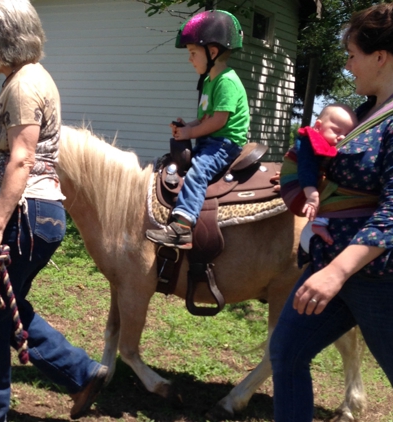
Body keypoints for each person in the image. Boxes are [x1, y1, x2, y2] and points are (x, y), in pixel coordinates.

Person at [0, 1, 107, 421]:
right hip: (37, 217)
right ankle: (81, 372)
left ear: (0, 38)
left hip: (22, 217)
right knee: (0, 308)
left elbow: (22, 158)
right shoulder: (26, 79)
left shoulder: (25, 85)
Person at [270, 3, 393, 421]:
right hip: (331, 269)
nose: (347, 65)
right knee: (286, 353)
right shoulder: (363, 115)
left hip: (378, 280)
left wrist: (337, 272)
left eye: (352, 55)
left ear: (380, 57)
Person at [145, 10, 250, 249]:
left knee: (198, 173)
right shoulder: (210, 81)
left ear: (212, 53)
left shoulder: (226, 81)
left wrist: (190, 134)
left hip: (224, 143)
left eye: (193, 53)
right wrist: (187, 126)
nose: (190, 59)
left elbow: (219, 122)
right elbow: (206, 118)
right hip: (211, 139)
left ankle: (182, 226)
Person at [292, 104, 358, 253]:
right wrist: (311, 194)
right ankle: (319, 222)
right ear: (317, 126)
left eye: (346, 135)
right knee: (328, 193)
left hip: (314, 181)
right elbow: (306, 168)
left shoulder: (327, 143)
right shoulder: (308, 142)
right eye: (336, 131)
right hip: (307, 183)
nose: (341, 137)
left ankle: (321, 221)